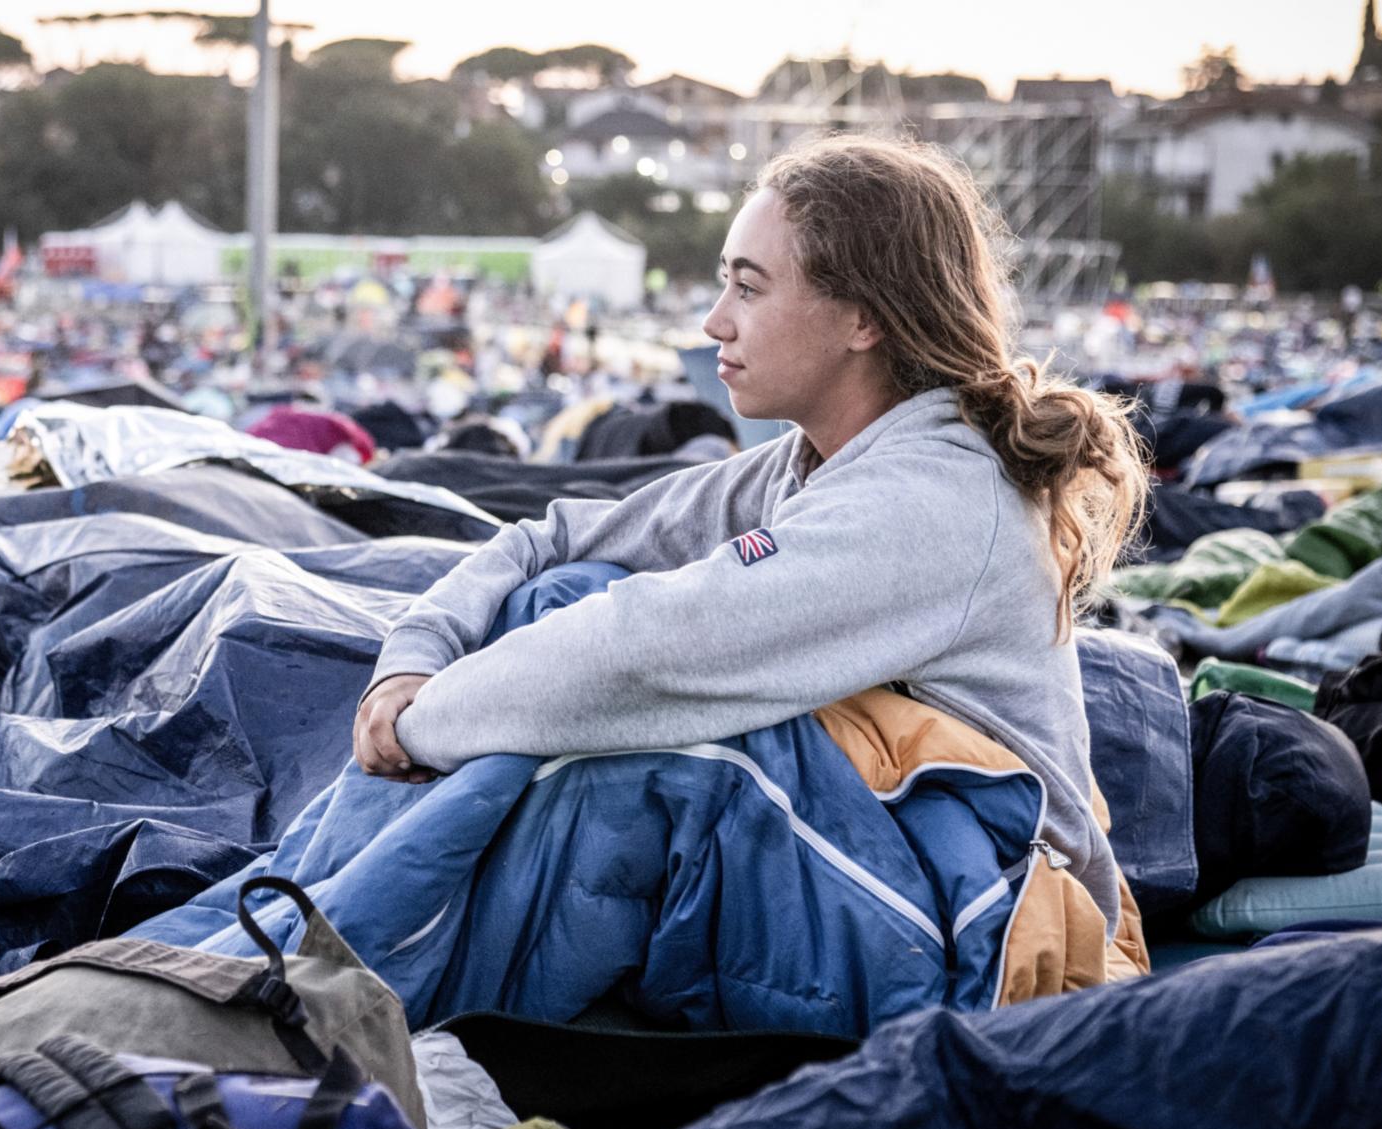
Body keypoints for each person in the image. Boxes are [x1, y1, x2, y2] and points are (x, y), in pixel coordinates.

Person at [353, 136, 1149, 930]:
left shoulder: (932, 505)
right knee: (563, 599)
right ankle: (314, 940)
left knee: (662, 762)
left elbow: (645, 653)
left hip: (1004, 926)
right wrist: (413, 662)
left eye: (748, 288)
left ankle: (323, 957)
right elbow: (555, 540)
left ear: (864, 318)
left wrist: (423, 727)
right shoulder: (809, 463)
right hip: (905, 879)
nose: (714, 321)